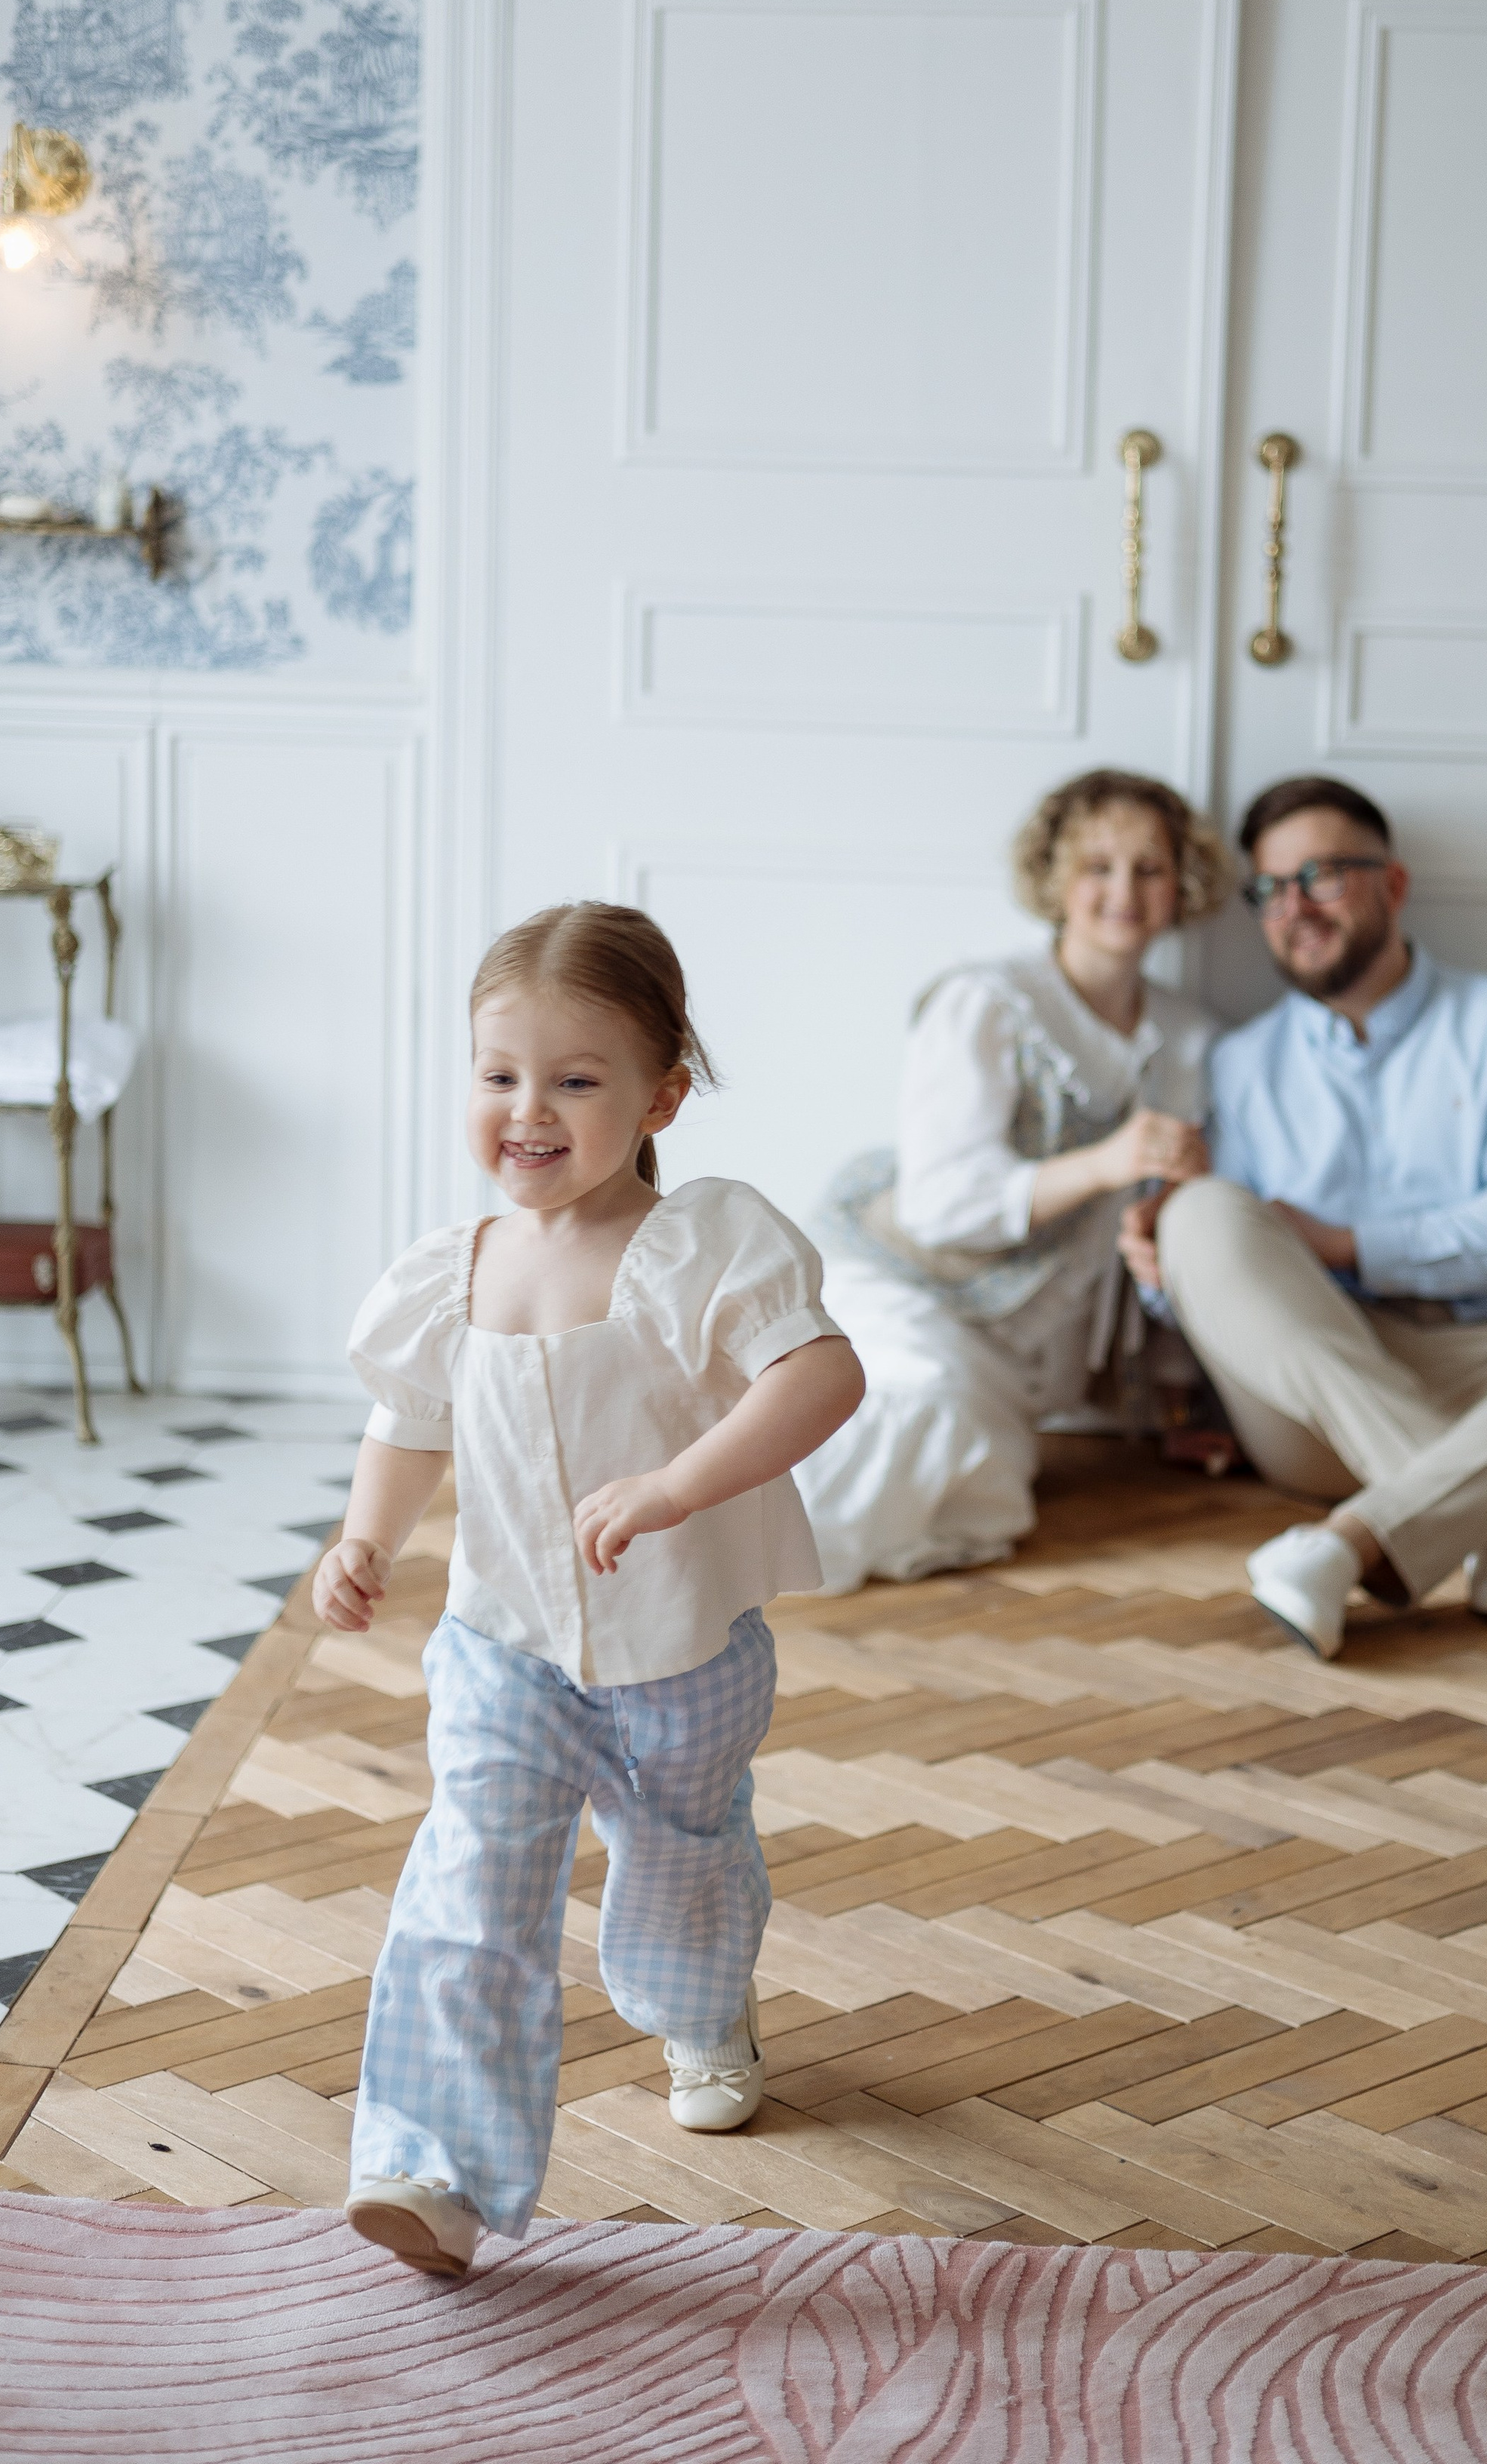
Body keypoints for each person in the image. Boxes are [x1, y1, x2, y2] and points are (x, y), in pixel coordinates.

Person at [314, 903, 864, 2275]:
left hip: (682, 1652)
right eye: (500, 1075)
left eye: (575, 1079)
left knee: (679, 1855)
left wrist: (678, 1486)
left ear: (661, 1094)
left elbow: (823, 1374)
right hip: (503, 1645)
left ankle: (700, 2007)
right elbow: (411, 1422)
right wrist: (366, 1539)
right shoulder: (456, 1272)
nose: (529, 1110)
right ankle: (430, 2171)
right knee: (472, 1878)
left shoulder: (700, 1245)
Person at [1122, 776, 1487, 1661]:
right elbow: (1238, 1279)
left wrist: (1342, 1244)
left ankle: (1352, 1541)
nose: (1292, 909)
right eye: (1269, 889)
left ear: (1392, 885)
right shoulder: (1238, 1062)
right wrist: (1162, 1265)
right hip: (1321, 1397)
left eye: (1321, 877)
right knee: (1198, 1213)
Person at [796, 770, 1228, 1592]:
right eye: (1096, 866)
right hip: (910, 1284)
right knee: (925, 1411)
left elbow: (1162, 1229)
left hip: (1028, 1349)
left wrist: (1179, 1397)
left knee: (990, 1481)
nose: (1123, 891)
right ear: (1056, 880)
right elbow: (939, 1203)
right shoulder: (986, 1003)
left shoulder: (1191, 1038)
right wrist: (1105, 1161)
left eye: (1149, 868)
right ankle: (683, 1528)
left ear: (1182, 886)